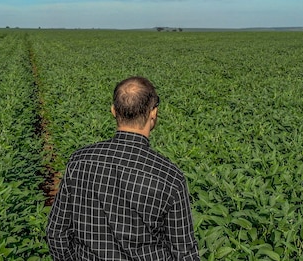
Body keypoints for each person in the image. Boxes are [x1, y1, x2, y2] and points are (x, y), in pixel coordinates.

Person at [46, 76, 200, 260]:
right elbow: (184, 252)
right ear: (153, 113)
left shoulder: (79, 161)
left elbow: (56, 233)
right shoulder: (169, 177)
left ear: (113, 111)